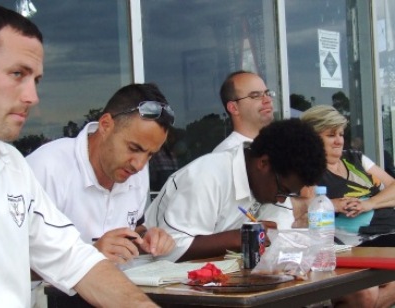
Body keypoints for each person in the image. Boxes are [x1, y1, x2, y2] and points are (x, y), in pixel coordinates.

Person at [0, 5, 157, 307]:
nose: (32, 97)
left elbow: (75, 260)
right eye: (17, 74)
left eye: (35, 80)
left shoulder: (11, 166)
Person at [26, 83, 176, 264]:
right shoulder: (46, 168)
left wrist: (147, 237)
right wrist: (89, 256)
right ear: (105, 125)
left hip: (110, 288)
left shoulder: (136, 172)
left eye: (150, 154)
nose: (140, 164)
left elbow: (133, 227)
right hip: (46, 292)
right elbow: (4, 260)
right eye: (134, 148)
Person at [144, 119, 326, 262]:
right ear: (263, 163)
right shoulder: (208, 175)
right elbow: (170, 249)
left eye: (287, 195)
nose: (281, 200)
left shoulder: (272, 183)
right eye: (283, 191)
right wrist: (240, 238)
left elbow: (277, 240)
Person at [297, 105, 395, 308]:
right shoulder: (308, 169)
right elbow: (301, 208)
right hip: (353, 246)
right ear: (312, 138)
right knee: (365, 295)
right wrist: (334, 204)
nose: (339, 140)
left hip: (387, 235)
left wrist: (370, 203)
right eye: (331, 135)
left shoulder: (356, 159)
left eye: (341, 134)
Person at [213, 70, 293, 229]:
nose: (267, 100)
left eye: (267, 93)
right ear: (233, 107)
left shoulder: (277, 149)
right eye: (256, 96)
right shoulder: (226, 155)